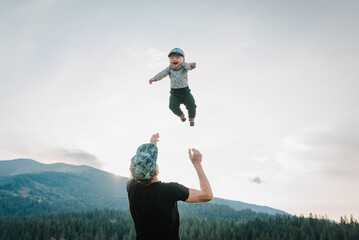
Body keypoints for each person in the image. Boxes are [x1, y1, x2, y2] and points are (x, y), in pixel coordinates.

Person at [126, 133, 213, 240]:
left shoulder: (131, 187)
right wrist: (197, 164)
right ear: (156, 171)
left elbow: (136, 171)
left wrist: (152, 146)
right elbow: (207, 195)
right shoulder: (169, 191)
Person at [149, 48, 197, 126]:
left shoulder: (184, 66)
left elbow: (188, 66)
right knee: (172, 106)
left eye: (177, 57)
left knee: (192, 105)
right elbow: (162, 74)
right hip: (175, 94)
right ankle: (181, 115)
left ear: (183, 59)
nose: (174, 59)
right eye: (172, 58)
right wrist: (154, 78)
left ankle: (191, 118)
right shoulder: (169, 69)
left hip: (185, 93)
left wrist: (192, 66)